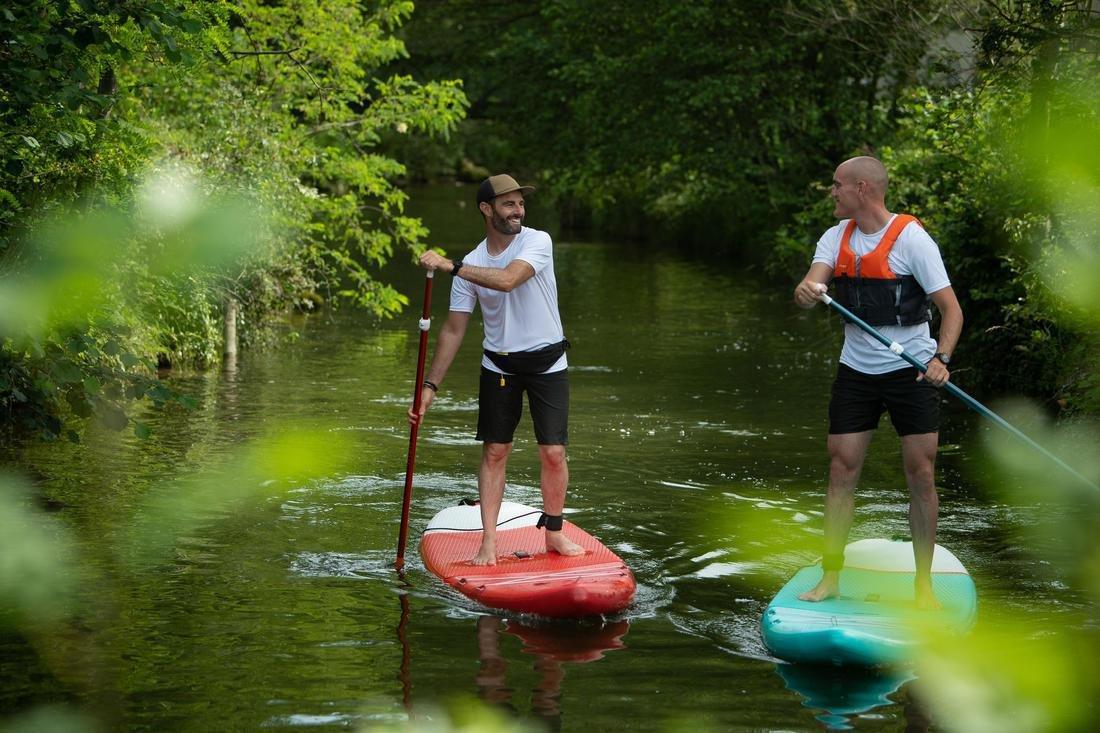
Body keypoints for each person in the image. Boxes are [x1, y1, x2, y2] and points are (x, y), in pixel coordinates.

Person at [793, 156, 964, 610]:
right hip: (857, 372)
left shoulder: (913, 240)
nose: (832, 191)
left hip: (911, 371)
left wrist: (941, 360)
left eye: (837, 185)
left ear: (862, 188)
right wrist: (807, 292)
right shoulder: (835, 238)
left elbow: (952, 310)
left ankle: (923, 587)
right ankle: (830, 577)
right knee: (840, 471)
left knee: (921, 475)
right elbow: (809, 288)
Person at [407, 173, 584, 566]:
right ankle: (489, 540)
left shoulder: (537, 241)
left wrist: (450, 265)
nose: (518, 210)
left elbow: (507, 280)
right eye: (508, 204)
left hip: (548, 363)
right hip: (499, 365)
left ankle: (553, 533)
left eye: (520, 203)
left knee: (553, 452)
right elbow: (453, 330)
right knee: (495, 451)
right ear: (487, 209)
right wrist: (430, 385)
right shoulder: (472, 263)